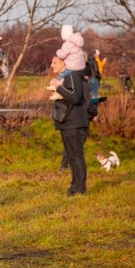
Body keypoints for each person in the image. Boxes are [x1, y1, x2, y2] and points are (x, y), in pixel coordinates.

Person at [50, 55, 89, 196]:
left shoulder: (73, 76)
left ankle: (80, 188)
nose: (52, 65)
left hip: (74, 122)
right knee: (72, 157)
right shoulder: (66, 77)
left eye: (55, 62)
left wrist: (58, 87)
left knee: (77, 157)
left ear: (64, 63)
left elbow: (75, 97)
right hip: (67, 122)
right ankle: (74, 186)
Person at [47, 25, 86, 101]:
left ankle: (58, 89)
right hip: (80, 66)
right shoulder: (77, 43)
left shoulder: (67, 44)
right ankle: (59, 90)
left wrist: (58, 51)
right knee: (65, 77)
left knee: (62, 76)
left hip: (72, 66)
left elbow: (62, 55)